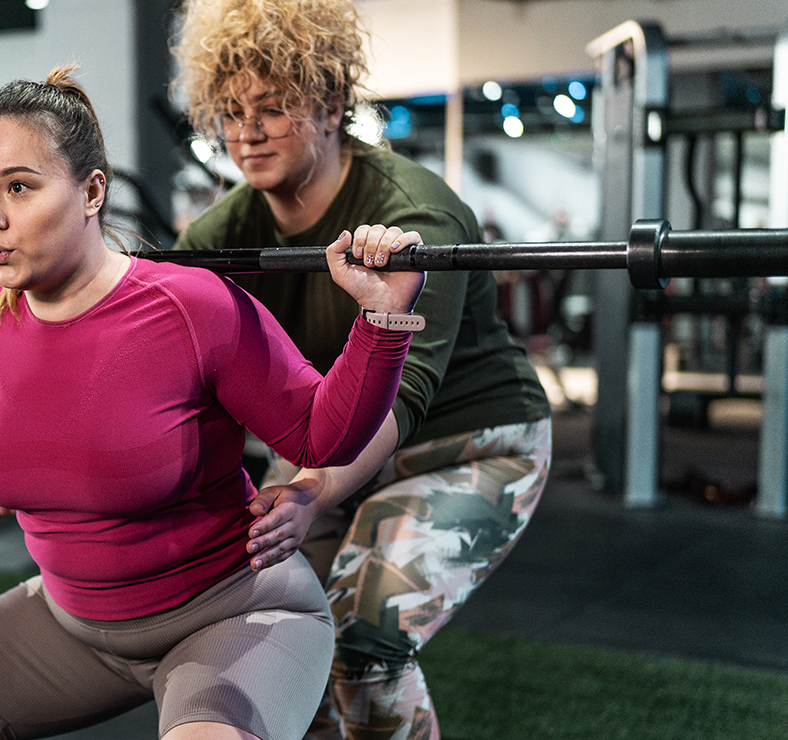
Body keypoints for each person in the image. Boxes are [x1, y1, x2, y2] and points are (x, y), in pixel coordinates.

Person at [0, 65, 427, 740]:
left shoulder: (191, 306)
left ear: (92, 191)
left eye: (18, 186)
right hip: (72, 627)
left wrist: (382, 322)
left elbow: (317, 439)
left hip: (229, 613)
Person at [172, 1, 553, 739]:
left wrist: (308, 491)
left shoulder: (413, 217)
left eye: (273, 109)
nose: (245, 132)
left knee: (363, 635)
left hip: (471, 443)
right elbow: (148, 349)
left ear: (330, 105)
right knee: (276, 641)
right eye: (230, 111)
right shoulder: (220, 234)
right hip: (336, 451)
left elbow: (401, 397)